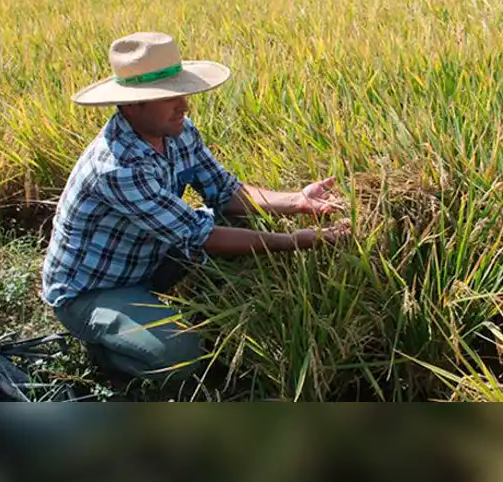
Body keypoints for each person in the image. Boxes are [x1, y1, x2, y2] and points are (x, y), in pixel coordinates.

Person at [42, 31, 351, 383]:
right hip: (93, 288)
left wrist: (296, 200)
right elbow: (199, 235)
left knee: (236, 225)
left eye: (183, 94)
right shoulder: (118, 167)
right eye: (169, 98)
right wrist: (295, 240)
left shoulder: (178, 131)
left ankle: (147, 315)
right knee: (180, 357)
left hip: (150, 257)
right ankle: (105, 354)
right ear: (132, 105)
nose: (184, 106)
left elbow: (225, 191)